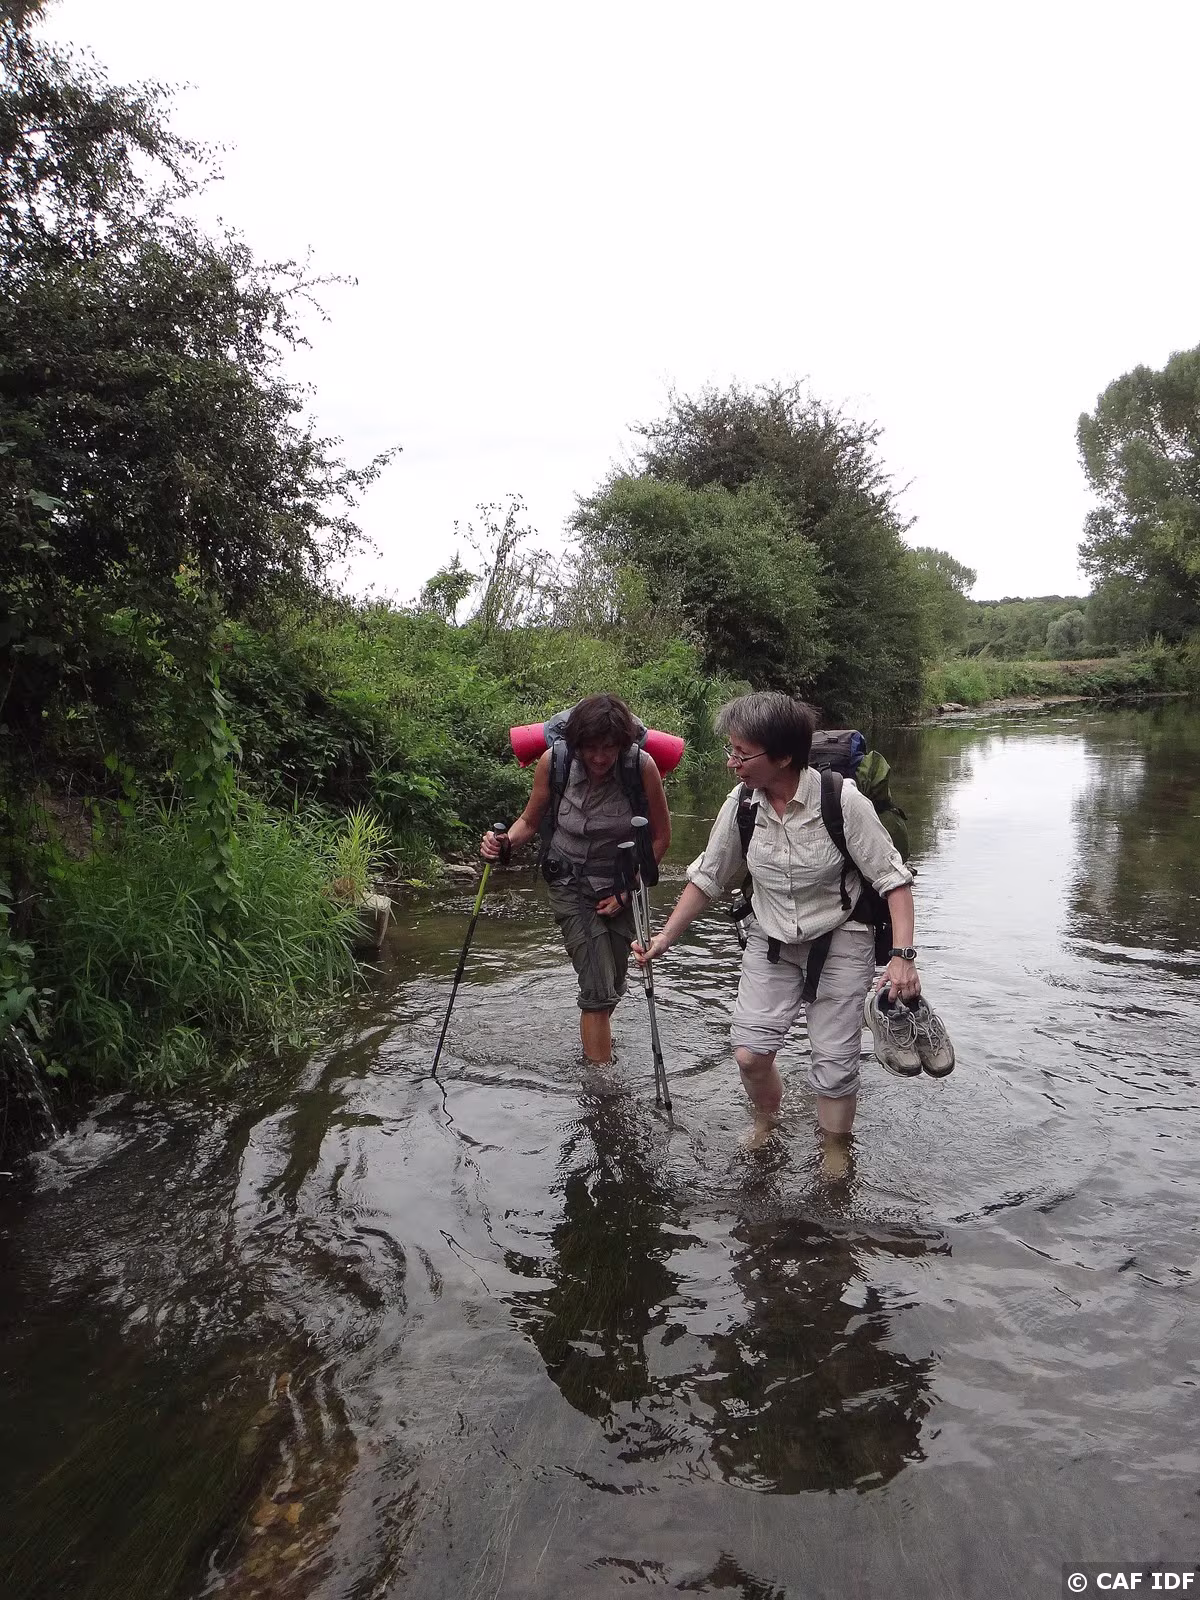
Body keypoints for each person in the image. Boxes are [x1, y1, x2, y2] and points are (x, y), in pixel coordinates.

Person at [635, 691, 919, 1150]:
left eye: (742, 754)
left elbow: (894, 882)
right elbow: (709, 876)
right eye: (731, 750)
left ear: (784, 756)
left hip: (841, 937)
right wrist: (665, 937)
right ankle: (768, 1123)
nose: (732, 763)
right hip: (771, 938)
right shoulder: (742, 804)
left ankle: (835, 1153)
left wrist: (903, 958)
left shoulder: (841, 801)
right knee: (749, 1056)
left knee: (834, 1065)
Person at [481, 694, 671, 1066]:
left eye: (608, 748)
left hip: (621, 882)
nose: (599, 757)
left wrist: (626, 890)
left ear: (622, 745)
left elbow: (661, 838)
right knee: (598, 990)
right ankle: (600, 1084)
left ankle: (592, 1039)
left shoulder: (641, 767)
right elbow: (529, 821)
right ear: (576, 744)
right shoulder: (555, 762)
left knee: (613, 984)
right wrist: (504, 843)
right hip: (570, 883)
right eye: (590, 748)